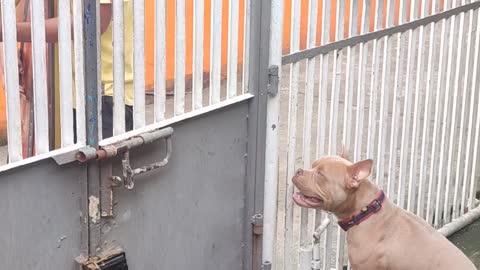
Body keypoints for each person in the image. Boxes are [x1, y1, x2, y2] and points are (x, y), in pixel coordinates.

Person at [0, 0, 134, 140]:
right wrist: (5, 51)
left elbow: (95, 21)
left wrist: (11, 32)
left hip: (106, 94)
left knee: (96, 159)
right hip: (69, 94)